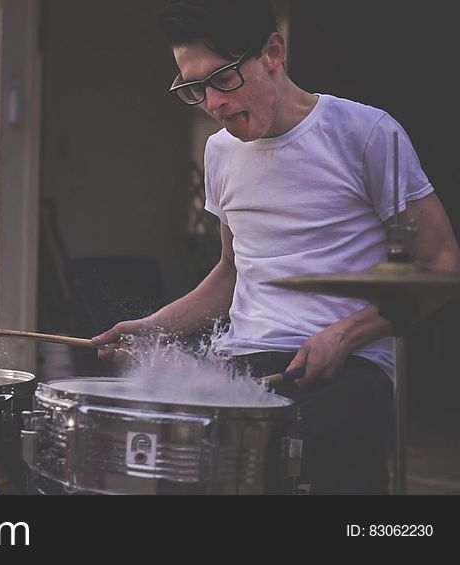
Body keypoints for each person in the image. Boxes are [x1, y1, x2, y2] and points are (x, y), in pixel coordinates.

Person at [91, 0, 460, 494]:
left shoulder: (365, 133)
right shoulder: (219, 152)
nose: (213, 104)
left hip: (347, 372)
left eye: (222, 78)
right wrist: (151, 328)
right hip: (244, 361)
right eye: (195, 88)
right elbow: (231, 271)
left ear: (273, 52)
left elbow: (441, 265)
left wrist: (346, 335)